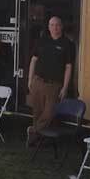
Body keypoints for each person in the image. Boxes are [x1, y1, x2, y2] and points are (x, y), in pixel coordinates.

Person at [26, 16, 75, 146]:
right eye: (52, 25)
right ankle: (36, 141)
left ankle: (32, 131)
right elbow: (33, 60)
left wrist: (65, 87)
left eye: (57, 25)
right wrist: (30, 80)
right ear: (48, 27)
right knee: (37, 113)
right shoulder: (42, 41)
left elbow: (68, 67)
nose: (55, 28)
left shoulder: (67, 44)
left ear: (61, 26)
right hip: (38, 81)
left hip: (54, 85)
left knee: (48, 114)